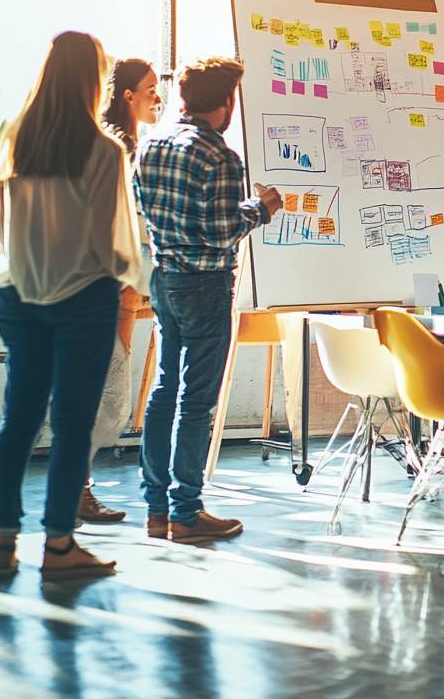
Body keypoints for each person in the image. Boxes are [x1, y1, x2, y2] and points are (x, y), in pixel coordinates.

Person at [0, 31, 141, 579]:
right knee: (72, 424)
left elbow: (0, 229)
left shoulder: (15, 137)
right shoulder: (103, 148)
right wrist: (128, 280)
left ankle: (5, 542)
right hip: (82, 299)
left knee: (17, 421)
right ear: (92, 79)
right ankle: (58, 547)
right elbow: (109, 241)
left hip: (17, 294)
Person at [136, 57, 282, 543]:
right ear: (226, 103)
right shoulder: (218, 156)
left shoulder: (151, 143)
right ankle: (187, 512)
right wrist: (261, 209)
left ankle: (157, 508)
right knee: (197, 402)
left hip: (164, 278)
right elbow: (222, 231)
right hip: (205, 285)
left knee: (164, 392)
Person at [76, 58, 162, 524]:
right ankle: (75, 491)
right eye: (150, 88)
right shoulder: (119, 146)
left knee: (106, 394)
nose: (157, 96)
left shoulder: (123, 142)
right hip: (108, 285)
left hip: (111, 283)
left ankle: (75, 489)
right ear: (127, 95)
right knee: (108, 398)